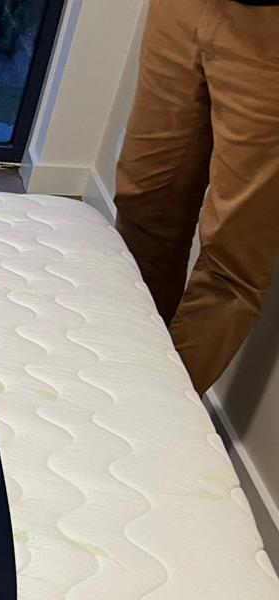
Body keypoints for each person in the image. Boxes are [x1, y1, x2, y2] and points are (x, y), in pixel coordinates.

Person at [113, 0, 279, 395]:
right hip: (181, 9)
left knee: (232, 259)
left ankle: (154, 406)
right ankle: (117, 363)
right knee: (143, 206)